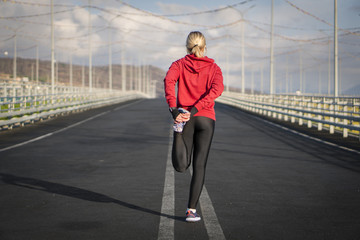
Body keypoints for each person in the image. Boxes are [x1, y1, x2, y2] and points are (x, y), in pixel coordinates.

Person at [164, 31, 224, 222]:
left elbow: (169, 81)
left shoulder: (179, 64)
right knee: (200, 166)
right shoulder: (214, 67)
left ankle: (178, 133)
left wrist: (174, 109)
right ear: (204, 47)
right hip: (205, 118)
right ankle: (191, 210)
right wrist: (198, 108)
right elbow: (218, 89)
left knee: (182, 166)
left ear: (187, 47)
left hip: (185, 116)